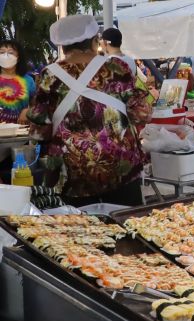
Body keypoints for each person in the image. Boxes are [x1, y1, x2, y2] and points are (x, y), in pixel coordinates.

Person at [28, 15, 151, 206]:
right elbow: (142, 113)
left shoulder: (49, 74)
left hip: (71, 173)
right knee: (128, 227)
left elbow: (38, 129)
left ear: (62, 46)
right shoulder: (117, 67)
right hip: (121, 168)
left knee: (78, 231)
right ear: (95, 41)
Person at [0, 40, 35, 124]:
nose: (6, 56)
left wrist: (27, 110)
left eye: (11, 52)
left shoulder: (28, 80)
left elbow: (36, 106)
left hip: (20, 131)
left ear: (18, 57)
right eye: (2, 52)